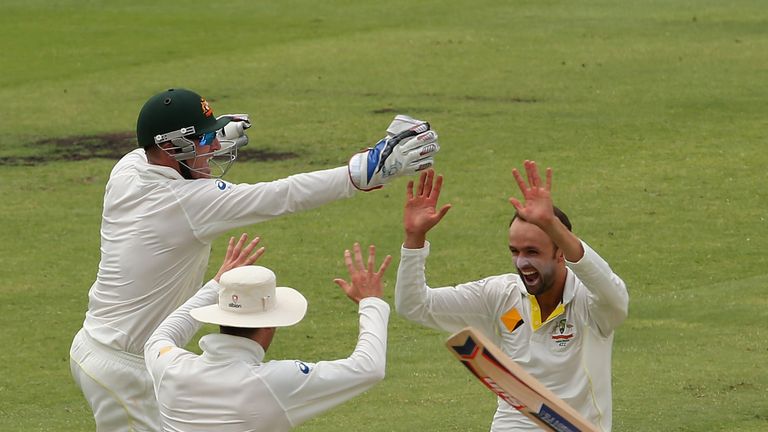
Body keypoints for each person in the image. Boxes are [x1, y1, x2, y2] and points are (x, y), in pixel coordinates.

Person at [69, 87, 439, 431]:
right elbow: (280, 196)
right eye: (205, 140)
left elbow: (160, 147)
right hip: (125, 368)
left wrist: (209, 136)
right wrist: (362, 172)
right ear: (172, 147)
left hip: (109, 345)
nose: (215, 147)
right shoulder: (188, 202)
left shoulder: (129, 167)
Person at [395, 161, 629, 431]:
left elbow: (614, 294)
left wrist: (553, 226)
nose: (521, 262)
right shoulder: (500, 295)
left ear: (560, 253)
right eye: (515, 251)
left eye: (532, 252)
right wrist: (414, 239)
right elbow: (414, 306)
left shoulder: (591, 303)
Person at [144, 241, 391, 431]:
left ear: (220, 316)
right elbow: (369, 368)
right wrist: (371, 302)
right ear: (270, 325)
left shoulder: (169, 366)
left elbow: (160, 336)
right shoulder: (276, 381)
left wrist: (217, 285)